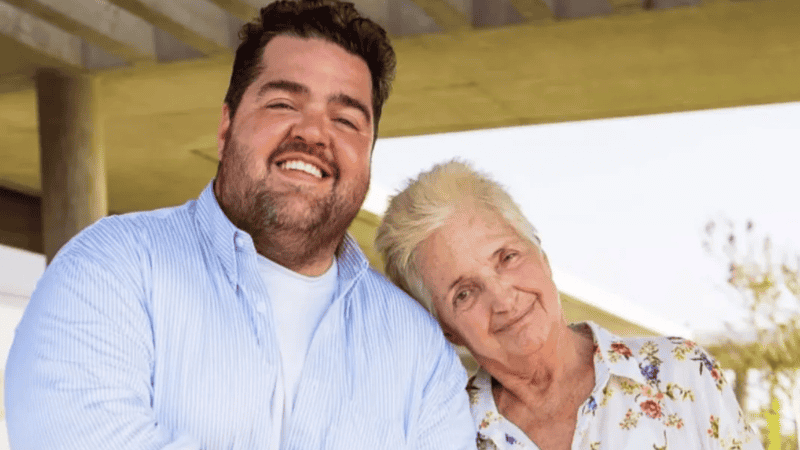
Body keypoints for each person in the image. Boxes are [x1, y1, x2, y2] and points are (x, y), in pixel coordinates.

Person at [4, 2, 476, 449]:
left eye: (346, 119)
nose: (313, 133)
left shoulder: (418, 349)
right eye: (284, 104)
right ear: (226, 127)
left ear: (369, 155)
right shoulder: (113, 267)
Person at [375, 159, 762, 450]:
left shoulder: (679, 374)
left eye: (507, 257)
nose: (504, 299)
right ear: (445, 327)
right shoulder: (443, 429)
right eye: (464, 293)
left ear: (540, 253)